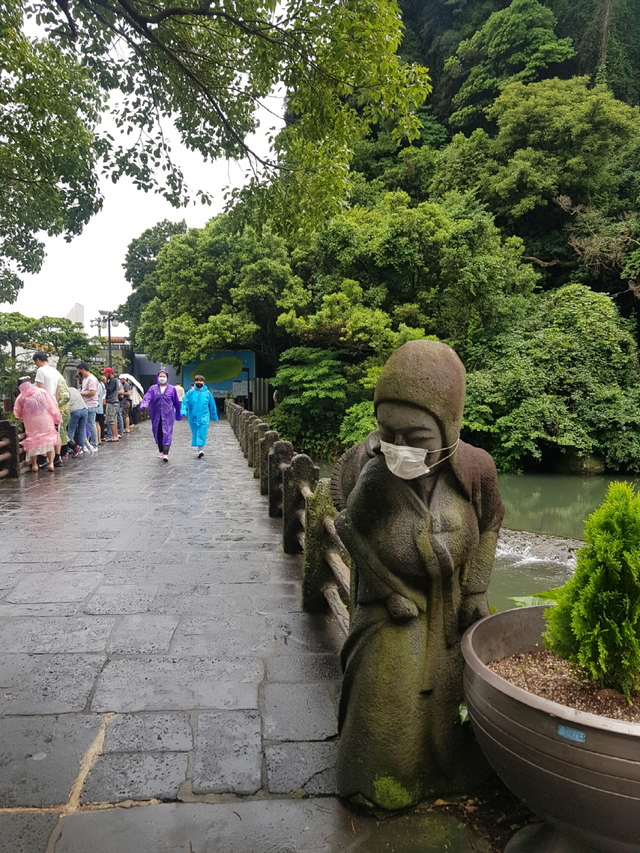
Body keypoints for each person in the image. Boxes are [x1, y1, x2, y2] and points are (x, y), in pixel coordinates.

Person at [333, 340, 504, 810]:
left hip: (451, 608)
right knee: (390, 691)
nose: (400, 447)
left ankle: (453, 774)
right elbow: (347, 524)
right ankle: (378, 784)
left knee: (454, 698)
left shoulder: (475, 469)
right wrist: (388, 590)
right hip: (395, 609)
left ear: (448, 427)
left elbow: (490, 521)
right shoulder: (374, 470)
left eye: (416, 437)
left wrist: (476, 587)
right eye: (388, 433)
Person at [13, 377, 62, 472]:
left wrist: (23, 416)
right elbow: (52, 406)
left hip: (30, 422)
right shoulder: (42, 391)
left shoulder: (21, 396)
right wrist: (57, 419)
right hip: (45, 419)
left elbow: (17, 412)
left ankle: (35, 465)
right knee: (49, 441)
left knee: (32, 442)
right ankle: (51, 463)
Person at [139, 369, 182, 461]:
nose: (162, 378)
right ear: (157, 377)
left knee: (167, 432)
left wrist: (178, 413)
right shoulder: (153, 389)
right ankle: (161, 450)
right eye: (160, 376)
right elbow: (147, 398)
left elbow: (176, 402)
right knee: (158, 431)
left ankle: (166, 453)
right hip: (156, 415)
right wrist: (144, 405)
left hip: (168, 415)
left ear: (167, 378)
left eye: (164, 376)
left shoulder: (172, 389)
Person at [33, 351, 63, 465]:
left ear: (38, 360)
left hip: (44, 405)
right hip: (54, 404)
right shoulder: (56, 372)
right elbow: (58, 392)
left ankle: (43, 458)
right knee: (55, 432)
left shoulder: (41, 371)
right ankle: (57, 458)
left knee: (44, 432)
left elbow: (39, 391)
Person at [180, 375, 219, 458]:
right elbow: (185, 402)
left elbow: (212, 405)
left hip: (204, 416)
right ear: (195, 382)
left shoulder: (208, 394)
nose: (199, 382)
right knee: (195, 432)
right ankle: (199, 449)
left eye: (201, 381)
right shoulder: (190, 393)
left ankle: (200, 449)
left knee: (202, 431)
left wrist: (214, 416)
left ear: (204, 383)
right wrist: (183, 410)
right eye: (197, 381)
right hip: (193, 416)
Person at [77, 362, 99, 450]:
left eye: (80, 371)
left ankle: (94, 444)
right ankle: (86, 444)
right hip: (85, 404)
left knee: (91, 425)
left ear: (83, 369)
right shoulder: (85, 379)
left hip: (91, 405)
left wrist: (81, 393)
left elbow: (92, 392)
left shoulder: (92, 379)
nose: (79, 374)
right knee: (85, 425)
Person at [66, 385, 89, 457]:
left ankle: (69, 448)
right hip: (84, 409)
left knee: (71, 430)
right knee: (82, 429)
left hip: (74, 411)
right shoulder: (73, 389)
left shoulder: (64, 392)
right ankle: (81, 448)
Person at [101, 367, 120, 442]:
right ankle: (115, 435)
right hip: (115, 402)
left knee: (111, 420)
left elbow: (109, 390)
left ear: (109, 373)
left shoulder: (112, 380)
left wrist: (105, 382)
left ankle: (114, 436)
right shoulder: (114, 380)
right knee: (114, 420)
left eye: (105, 373)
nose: (104, 375)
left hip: (112, 402)